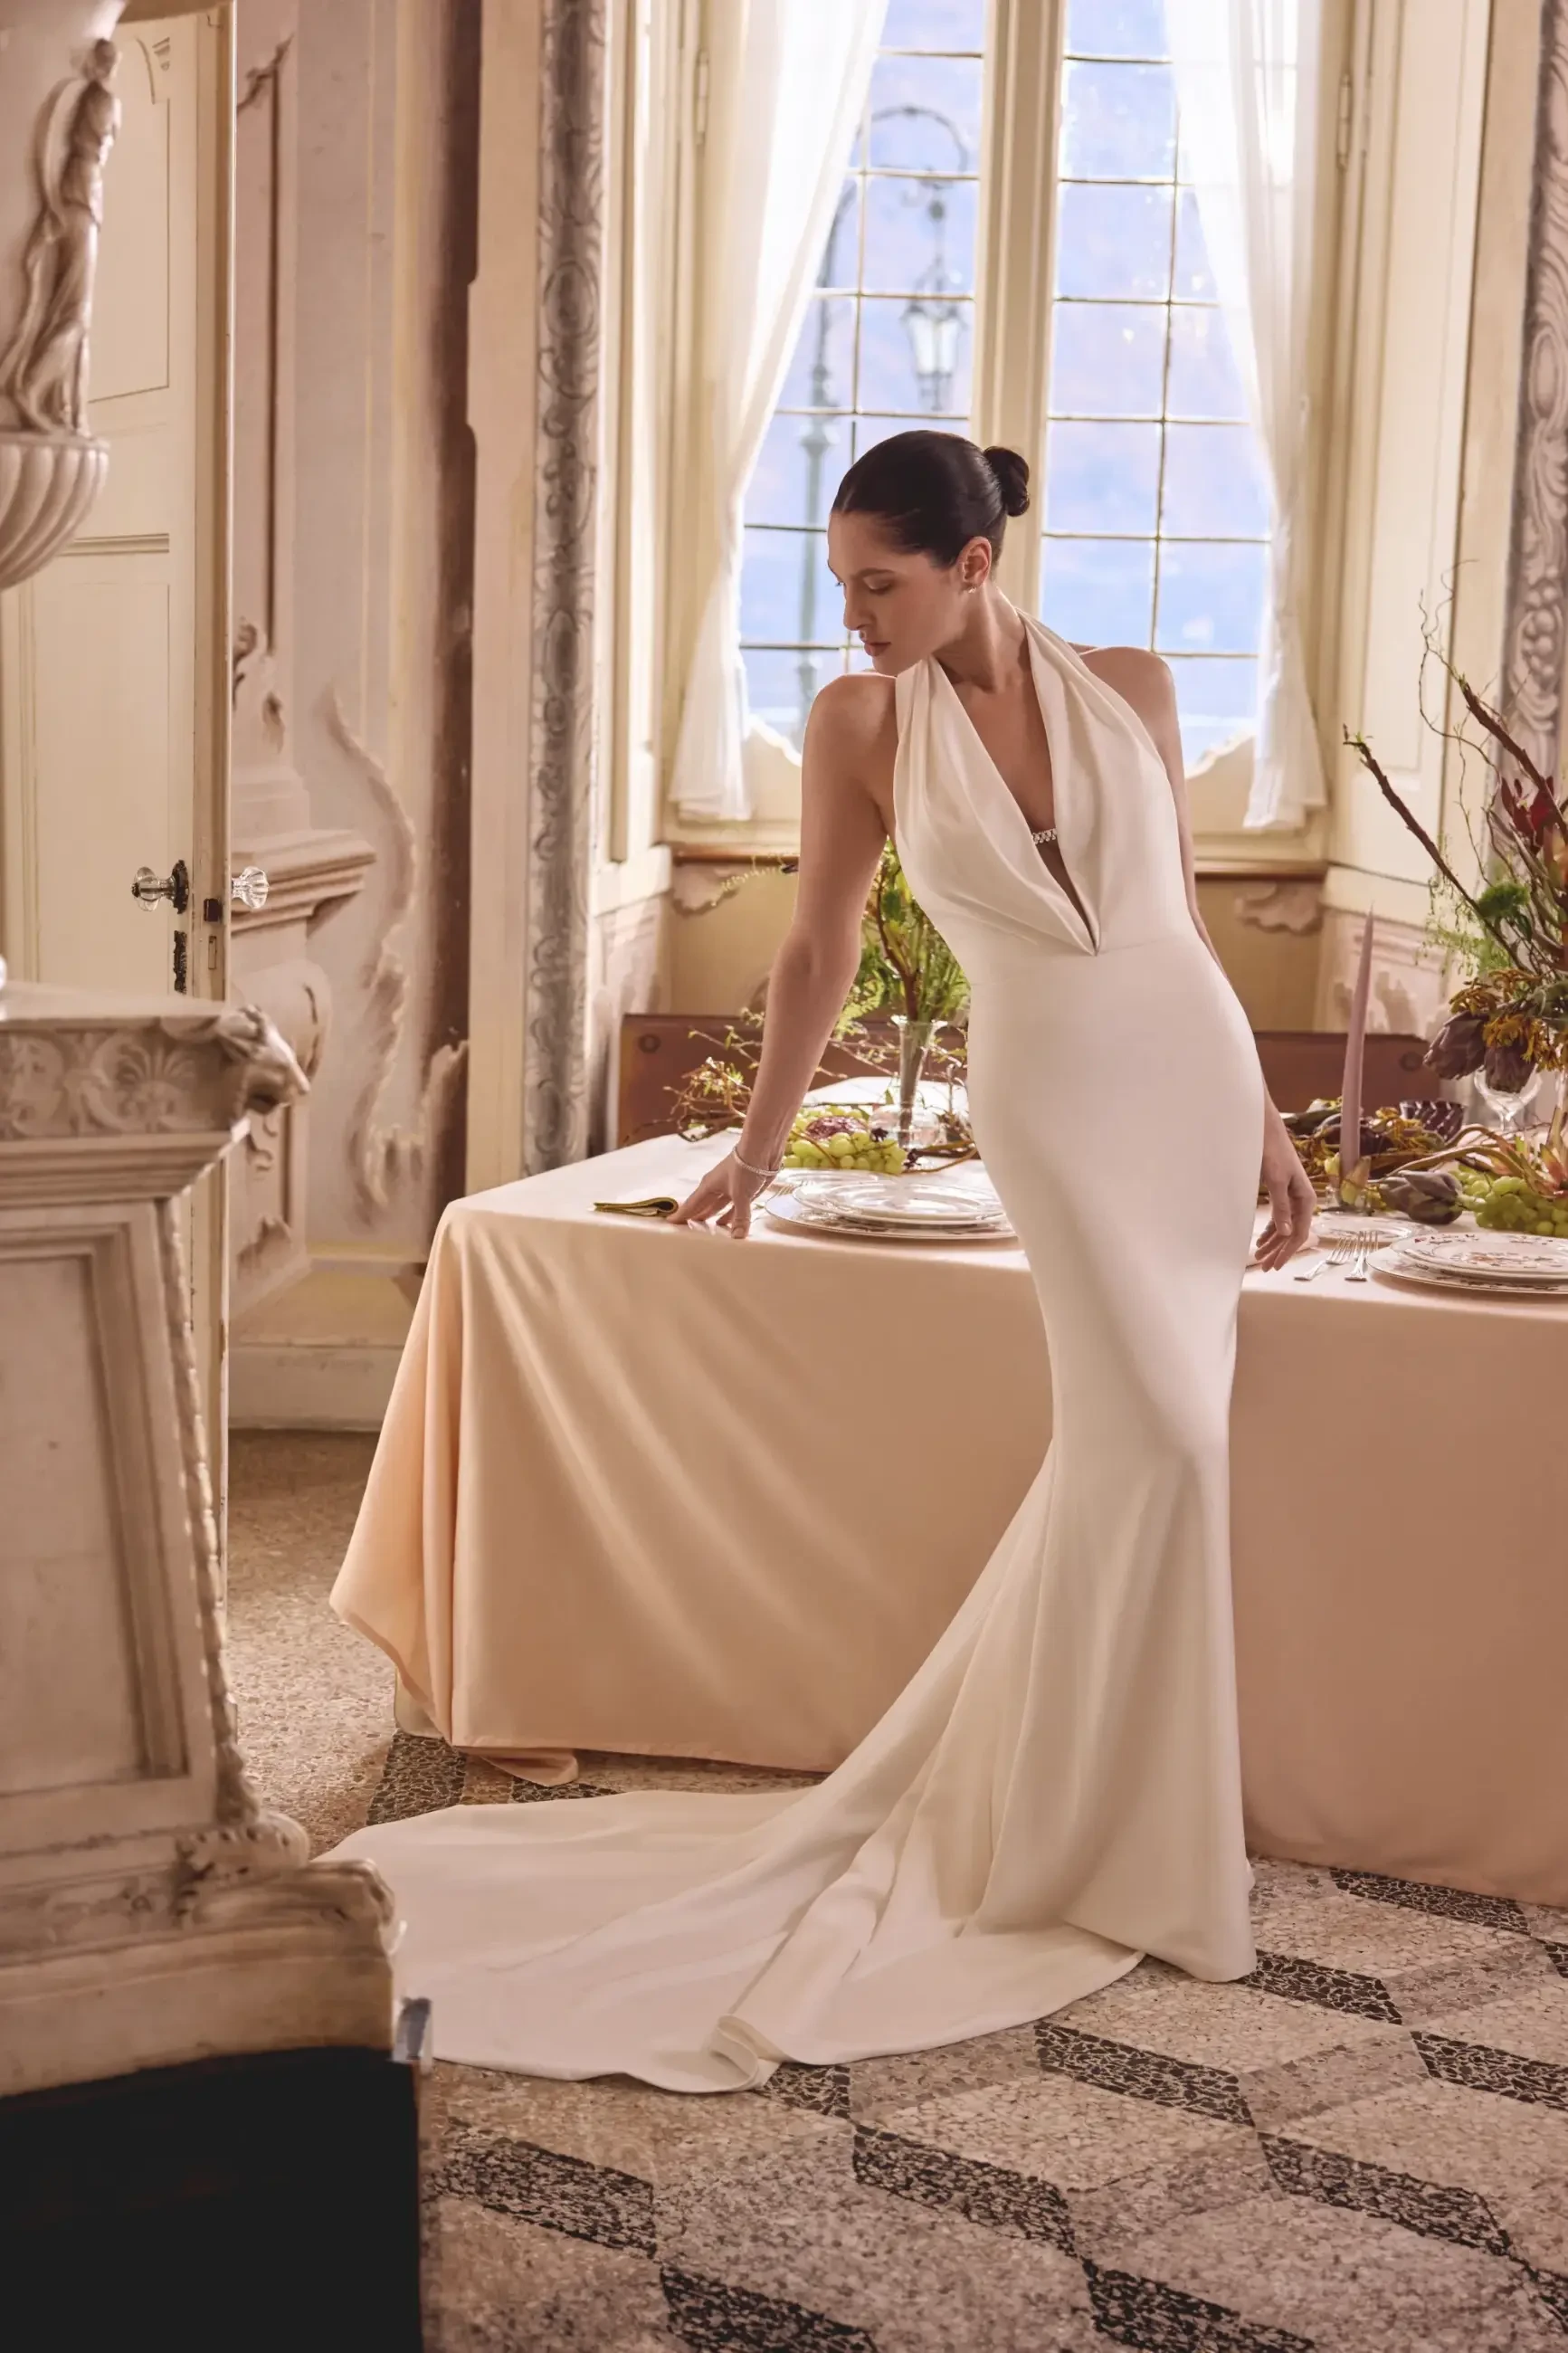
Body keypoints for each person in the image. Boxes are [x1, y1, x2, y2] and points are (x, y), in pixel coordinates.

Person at [330, 431, 1316, 2093]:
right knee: (1157, 1433)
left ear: (974, 565)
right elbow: (819, 943)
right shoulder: (864, 726)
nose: (848, 613)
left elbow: (1186, 926)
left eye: (880, 582)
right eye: (841, 580)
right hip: (1058, 1099)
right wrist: (760, 1143)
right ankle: (1095, 1838)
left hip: (1190, 1083)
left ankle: (1099, 1824)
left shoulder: (1135, 682)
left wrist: (1272, 1126)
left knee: (1148, 1457)